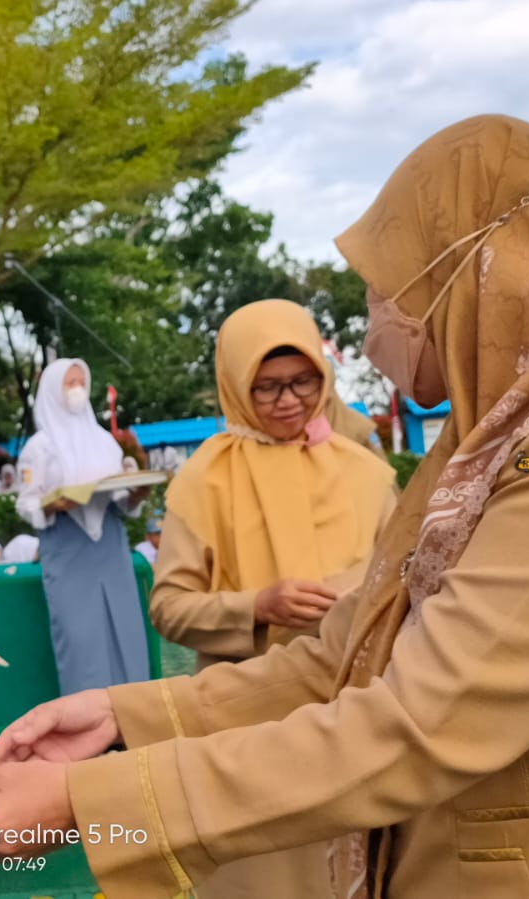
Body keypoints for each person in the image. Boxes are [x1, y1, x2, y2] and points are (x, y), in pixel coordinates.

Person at [0, 115, 529, 899]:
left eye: (381, 291)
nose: (368, 332)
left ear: (467, 275)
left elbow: (420, 718)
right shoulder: (478, 455)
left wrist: (86, 799)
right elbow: (341, 661)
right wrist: (122, 716)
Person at [147, 300, 396, 897]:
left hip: (353, 713)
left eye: (304, 381)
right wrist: (255, 607)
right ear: (234, 386)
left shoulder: (367, 473)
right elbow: (169, 606)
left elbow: (406, 580)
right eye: (266, 388)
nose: (289, 401)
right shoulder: (204, 479)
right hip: (245, 721)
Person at [15, 358, 151, 694]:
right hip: (67, 548)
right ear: (52, 389)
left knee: (126, 632)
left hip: (111, 548)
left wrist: (136, 494)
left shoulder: (104, 441)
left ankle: (134, 722)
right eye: (68, 383)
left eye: (80, 382)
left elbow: (119, 500)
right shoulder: (39, 448)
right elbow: (25, 502)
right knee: (81, 642)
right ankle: (88, 731)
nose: (77, 389)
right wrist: (52, 504)